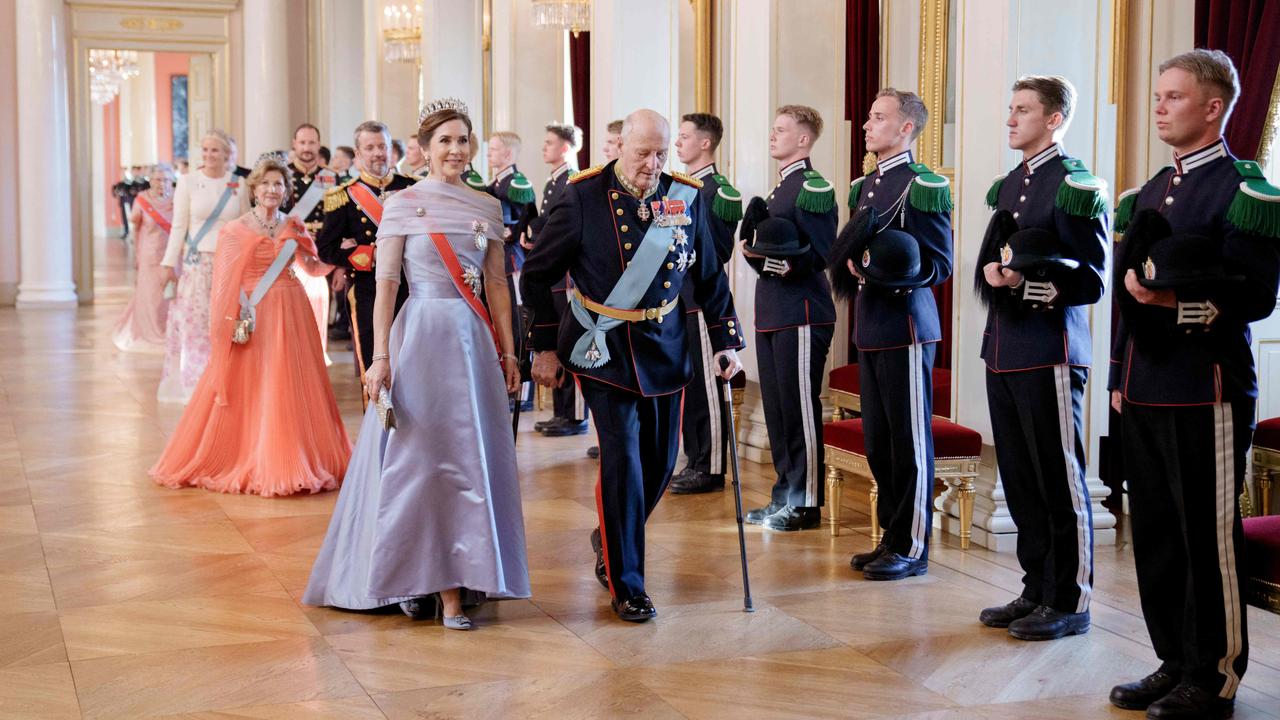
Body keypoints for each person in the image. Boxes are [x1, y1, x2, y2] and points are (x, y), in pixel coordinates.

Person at [305, 99, 529, 629]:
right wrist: (380, 357)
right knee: (420, 462)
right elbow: (385, 288)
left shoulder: (489, 207)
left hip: (473, 346)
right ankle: (423, 579)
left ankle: (466, 575)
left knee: (469, 459)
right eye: (445, 141)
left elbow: (498, 286)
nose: (455, 149)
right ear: (424, 150)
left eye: (463, 140)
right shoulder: (403, 205)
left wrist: (510, 351)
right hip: (420, 341)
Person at [1106, 49, 1280, 719]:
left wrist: (1170, 305)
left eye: (1173, 97)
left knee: (1206, 537)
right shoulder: (1149, 192)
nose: (1159, 106)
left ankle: (1214, 675)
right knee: (1154, 533)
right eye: (1156, 95)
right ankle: (1173, 660)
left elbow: (1256, 297)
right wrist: (1122, 374)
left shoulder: (1245, 188)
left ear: (1213, 107)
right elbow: (1126, 298)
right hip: (1146, 386)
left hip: (1206, 387)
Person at [522, 109, 743, 622]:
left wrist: (725, 340)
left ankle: (610, 533)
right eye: (643, 152)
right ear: (620, 147)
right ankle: (628, 585)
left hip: (665, 344)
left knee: (661, 464)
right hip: (604, 350)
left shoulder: (686, 196)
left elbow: (710, 275)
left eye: (661, 152)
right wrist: (547, 346)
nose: (653, 163)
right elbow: (537, 274)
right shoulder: (581, 196)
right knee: (622, 461)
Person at [973, 75, 1106, 641]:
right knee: (1022, 476)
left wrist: (1026, 283)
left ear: (1053, 119)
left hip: (1049, 348)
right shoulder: (1011, 185)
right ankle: (1036, 587)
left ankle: (1069, 598)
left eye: (1022, 110)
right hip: (1004, 347)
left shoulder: (1074, 184)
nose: (1010, 119)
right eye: (1010, 109)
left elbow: (1094, 278)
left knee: (1059, 477)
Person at [151, 153, 351, 497]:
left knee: (288, 383)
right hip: (255, 312)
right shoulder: (236, 229)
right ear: (255, 188)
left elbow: (311, 265)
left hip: (293, 310)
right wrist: (229, 323)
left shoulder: (294, 225)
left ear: (286, 190)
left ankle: (296, 455)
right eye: (266, 184)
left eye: (279, 184)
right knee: (257, 383)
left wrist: (337, 259)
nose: (272, 189)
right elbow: (225, 283)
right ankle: (253, 454)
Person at [837, 89, 953, 579]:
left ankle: (911, 546)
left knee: (909, 441)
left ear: (906, 128)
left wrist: (887, 272)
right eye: (868, 116)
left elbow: (939, 263)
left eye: (878, 117)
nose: (867, 125)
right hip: (872, 325)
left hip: (906, 325)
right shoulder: (867, 185)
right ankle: (890, 537)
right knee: (881, 440)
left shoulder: (921, 184)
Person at [741, 105, 838, 531]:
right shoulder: (781, 189)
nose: (772, 135)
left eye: (781, 130)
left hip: (802, 310)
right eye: (772, 127)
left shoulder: (812, 188)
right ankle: (784, 494)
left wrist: (776, 264)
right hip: (774, 310)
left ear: (804, 139)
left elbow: (820, 254)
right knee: (778, 410)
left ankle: (805, 502)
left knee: (799, 408)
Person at [668, 112, 743, 495]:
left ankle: (711, 466)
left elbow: (718, 250)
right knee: (689, 385)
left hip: (701, 299)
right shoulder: (680, 188)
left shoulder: (718, 191)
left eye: (684, 137)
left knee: (707, 388)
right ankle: (694, 457)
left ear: (706, 143)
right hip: (677, 299)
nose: (678, 143)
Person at [316, 121, 416, 400]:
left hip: (412, 288)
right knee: (374, 362)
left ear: (391, 150)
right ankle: (378, 430)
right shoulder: (343, 196)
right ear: (358, 154)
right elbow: (326, 248)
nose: (377, 154)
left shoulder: (411, 188)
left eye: (382, 146)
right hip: (367, 291)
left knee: (412, 361)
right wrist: (368, 256)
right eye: (369, 148)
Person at [157, 129, 250, 404]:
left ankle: (225, 380)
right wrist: (167, 263)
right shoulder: (187, 182)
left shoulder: (239, 185)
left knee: (226, 324)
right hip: (198, 264)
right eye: (205, 150)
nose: (209, 155)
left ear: (227, 154)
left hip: (231, 264)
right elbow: (178, 226)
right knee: (196, 326)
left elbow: (246, 225)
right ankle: (195, 386)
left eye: (215, 150)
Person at [527, 123, 586, 437]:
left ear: (565, 147)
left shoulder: (573, 180)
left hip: (565, 277)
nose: (543, 148)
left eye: (549, 143)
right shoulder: (554, 181)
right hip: (552, 274)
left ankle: (574, 413)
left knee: (570, 340)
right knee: (557, 343)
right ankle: (561, 410)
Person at [283, 123, 338, 364]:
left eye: (312, 143)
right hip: (290, 253)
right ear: (294, 145)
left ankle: (314, 358)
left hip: (321, 254)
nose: (307, 148)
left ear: (319, 144)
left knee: (318, 308)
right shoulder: (283, 175)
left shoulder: (331, 178)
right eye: (302, 143)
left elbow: (337, 221)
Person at [113, 163, 176, 353]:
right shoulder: (142, 199)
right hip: (149, 254)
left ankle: (169, 331)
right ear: (151, 180)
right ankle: (149, 330)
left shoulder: (178, 199)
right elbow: (136, 230)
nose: (162, 183)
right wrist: (136, 255)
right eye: (158, 179)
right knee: (151, 296)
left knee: (170, 297)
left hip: (172, 255)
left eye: (166, 179)